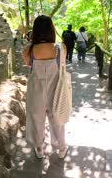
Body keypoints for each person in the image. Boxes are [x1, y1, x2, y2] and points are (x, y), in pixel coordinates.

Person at [22, 15, 68, 159]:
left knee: (36, 119)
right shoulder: (60, 48)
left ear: (35, 31)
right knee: (57, 120)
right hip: (56, 91)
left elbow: (29, 65)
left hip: (36, 90)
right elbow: (62, 64)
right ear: (51, 30)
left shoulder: (28, 51)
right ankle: (61, 149)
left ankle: (39, 148)